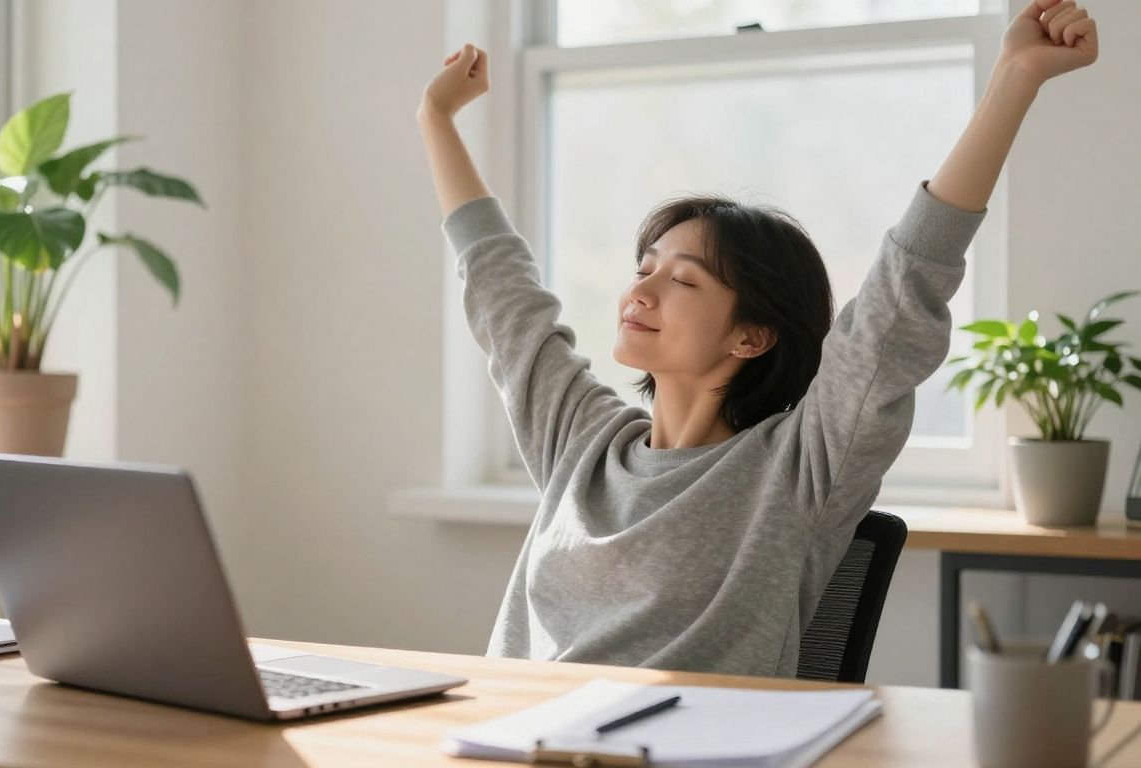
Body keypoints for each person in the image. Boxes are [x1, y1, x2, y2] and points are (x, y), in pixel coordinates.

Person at [415, 0, 1099, 677]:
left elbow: (900, 295)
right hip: (512, 738)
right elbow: (501, 287)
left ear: (752, 336)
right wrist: (437, 120)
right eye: (642, 269)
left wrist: (1015, 77)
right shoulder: (581, 442)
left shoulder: (800, 469)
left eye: (682, 281)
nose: (640, 292)